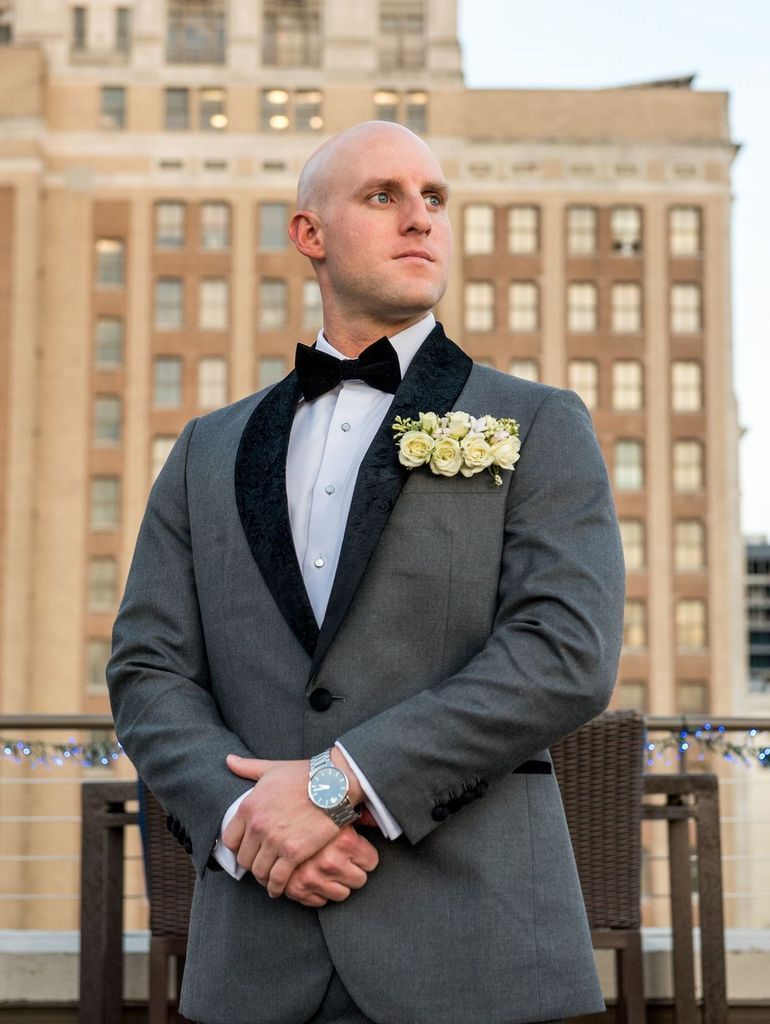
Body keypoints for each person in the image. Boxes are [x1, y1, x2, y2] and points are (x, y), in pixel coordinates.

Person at [107, 121, 625, 1024]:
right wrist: (245, 820)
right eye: (383, 196)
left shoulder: (538, 421)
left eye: (434, 199)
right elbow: (147, 670)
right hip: (255, 958)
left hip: (478, 955)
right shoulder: (204, 450)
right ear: (309, 234)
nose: (420, 219)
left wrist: (334, 786)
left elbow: (565, 653)